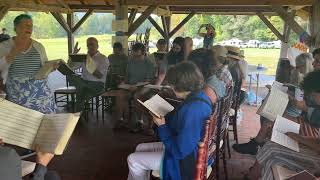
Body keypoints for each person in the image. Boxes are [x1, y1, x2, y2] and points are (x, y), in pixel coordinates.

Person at [127, 62, 212, 180]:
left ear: (180, 85)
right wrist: (165, 115)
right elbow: (182, 126)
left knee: (133, 159)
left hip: (184, 162)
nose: (170, 87)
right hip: (190, 149)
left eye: (171, 85)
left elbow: (179, 151)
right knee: (140, 148)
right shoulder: (200, 97)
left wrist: (162, 126)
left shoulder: (192, 110)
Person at [233, 52, 319, 156]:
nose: (314, 63)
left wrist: (300, 105)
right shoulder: (308, 77)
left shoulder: (314, 81)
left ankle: (257, 144)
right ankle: (259, 143)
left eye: (317, 61)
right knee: (269, 110)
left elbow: (308, 109)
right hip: (302, 116)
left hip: (307, 123)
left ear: (304, 65)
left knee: (271, 118)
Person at [245, 70, 320, 180]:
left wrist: (300, 139)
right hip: (315, 153)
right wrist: (299, 138)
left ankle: (250, 176)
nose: (309, 98)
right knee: (272, 162)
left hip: (316, 161)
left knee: (271, 147)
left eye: (312, 94)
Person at [0, 14, 57, 113]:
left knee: (46, 124)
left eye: (31, 26)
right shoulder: (4, 46)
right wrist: (12, 54)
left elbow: (44, 68)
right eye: (25, 25)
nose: (29, 28)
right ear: (16, 28)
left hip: (41, 95)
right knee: (22, 125)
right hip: (17, 94)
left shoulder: (38, 46)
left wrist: (51, 68)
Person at [113, 43, 155, 130]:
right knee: (120, 94)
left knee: (137, 96)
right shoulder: (131, 62)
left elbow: (149, 81)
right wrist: (123, 83)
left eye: (138, 56)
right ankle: (121, 120)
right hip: (131, 86)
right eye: (134, 55)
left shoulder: (149, 64)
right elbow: (127, 76)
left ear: (143, 53)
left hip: (144, 86)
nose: (135, 58)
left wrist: (137, 87)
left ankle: (140, 121)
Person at [68, 37, 109, 111]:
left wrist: (89, 65)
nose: (90, 47)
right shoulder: (84, 57)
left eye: (92, 44)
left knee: (80, 91)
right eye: (88, 45)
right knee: (71, 76)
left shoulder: (103, 58)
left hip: (97, 85)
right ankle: (79, 116)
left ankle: (78, 116)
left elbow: (100, 76)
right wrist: (73, 55)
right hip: (84, 83)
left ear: (97, 46)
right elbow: (71, 67)